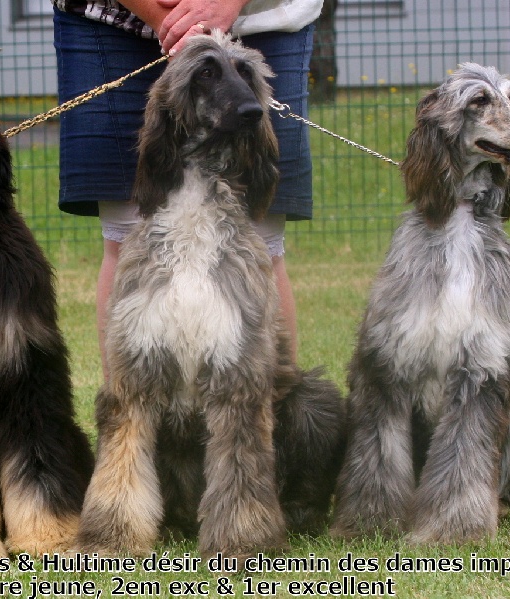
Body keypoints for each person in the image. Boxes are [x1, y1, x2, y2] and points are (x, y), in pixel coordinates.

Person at [52, 0, 321, 379]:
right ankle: (134, 424)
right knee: (125, 232)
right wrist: (166, 20)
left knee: (263, 239)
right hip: (115, 19)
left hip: (262, 15)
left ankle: (264, 424)